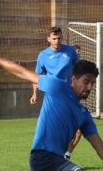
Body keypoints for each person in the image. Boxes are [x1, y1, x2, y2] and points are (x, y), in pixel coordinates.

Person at [31, 27, 81, 159]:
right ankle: (54, 155)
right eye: (54, 38)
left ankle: (66, 154)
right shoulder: (43, 55)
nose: (57, 41)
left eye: (59, 38)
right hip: (54, 97)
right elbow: (37, 76)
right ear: (48, 39)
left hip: (71, 96)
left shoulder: (70, 51)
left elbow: (79, 70)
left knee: (79, 130)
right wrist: (34, 93)